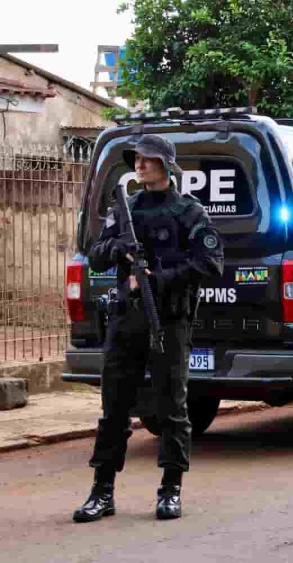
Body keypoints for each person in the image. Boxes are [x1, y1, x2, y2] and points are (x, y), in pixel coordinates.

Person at [73, 135, 224, 523]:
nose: (140, 165)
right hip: (126, 318)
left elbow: (210, 263)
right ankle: (101, 491)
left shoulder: (188, 212)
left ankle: (170, 489)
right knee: (114, 408)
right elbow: (97, 255)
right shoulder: (127, 208)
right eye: (137, 159)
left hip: (169, 321)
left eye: (148, 160)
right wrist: (121, 249)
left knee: (172, 406)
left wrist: (158, 278)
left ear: (166, 166)